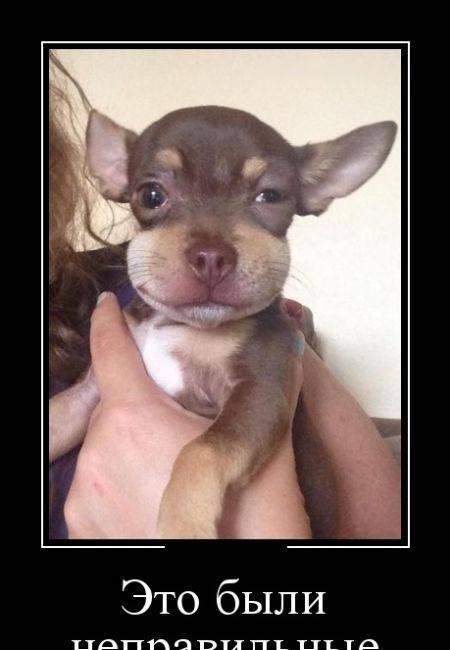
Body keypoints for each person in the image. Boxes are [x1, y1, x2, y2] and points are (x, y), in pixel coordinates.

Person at [49, 54, 401, 541]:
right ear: (114, 174)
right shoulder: (126, 313)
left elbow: (377, 516)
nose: (210, 252)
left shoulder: (118, 289)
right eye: (155, 196)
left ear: (317, 186)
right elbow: (79, 403)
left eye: (267, 196)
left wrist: (197, 491)